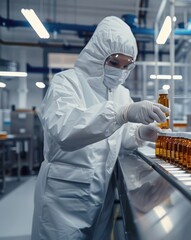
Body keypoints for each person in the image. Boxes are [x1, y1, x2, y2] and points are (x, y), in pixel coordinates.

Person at [31, 16, 169, 239]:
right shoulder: (66, 83)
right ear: (97, 54)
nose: (120, 71)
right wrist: (122, 113)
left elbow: (120, 137)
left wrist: (141, 133)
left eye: (126, 66)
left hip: (102, 192)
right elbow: (66, 131)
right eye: (114, 63)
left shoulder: (121, 93)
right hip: (64, 196)